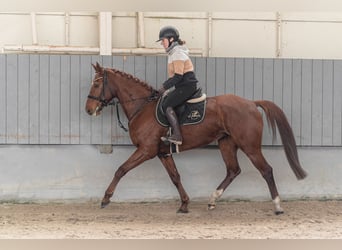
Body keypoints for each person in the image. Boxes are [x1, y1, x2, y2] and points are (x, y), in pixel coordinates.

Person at [157, 26, 198, 145]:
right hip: (182, 86)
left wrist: (163, 87)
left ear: (171, 39)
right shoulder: (173, 53)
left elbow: (178, 76)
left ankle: (177, 136)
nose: (162, 44)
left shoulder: (178, 53)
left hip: (186, 86)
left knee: (167, 105)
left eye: (163, 41)